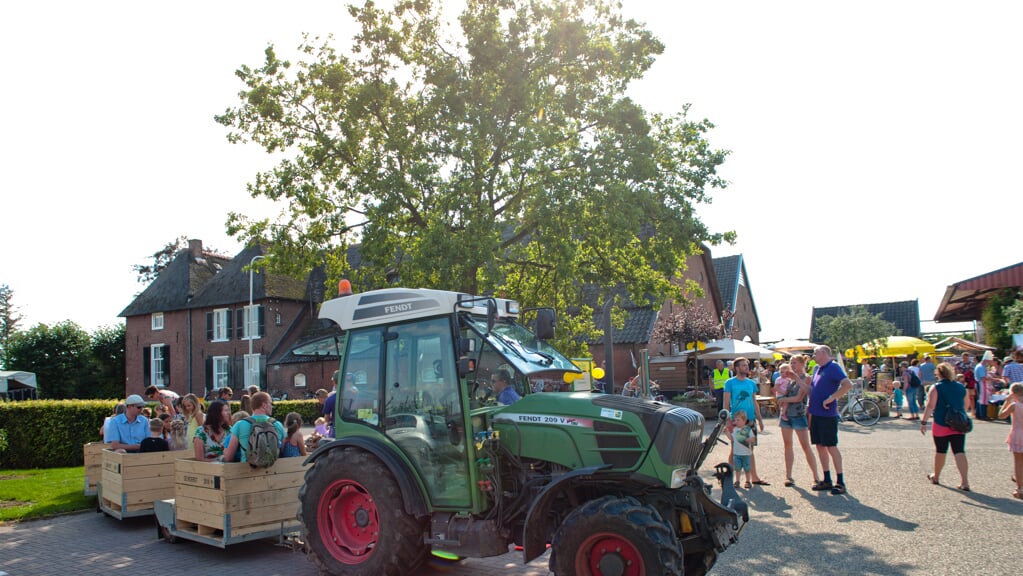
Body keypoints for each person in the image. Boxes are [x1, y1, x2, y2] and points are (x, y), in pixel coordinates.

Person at [808, 345, 852, 495]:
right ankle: (827, 478)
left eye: (815, 353)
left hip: (827, 415)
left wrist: (832, 398)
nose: (813, 356)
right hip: (816, 413)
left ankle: (840, 481)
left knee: (831, 446)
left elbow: (847, 385)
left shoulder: (833, 367)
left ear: (824, 353)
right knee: (820, 446)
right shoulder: (817, 369)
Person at [921, 362, 970, 491]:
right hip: (958, 424)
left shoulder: (936, 387)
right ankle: (965, 481)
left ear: (938, 374)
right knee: (959, 451)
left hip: (941, 423)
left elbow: (931, 406)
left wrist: (924, 422)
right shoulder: (960, 387)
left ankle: (936, 476)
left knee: (941, 451)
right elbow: (966, 405)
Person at [776, 355, 820, 488]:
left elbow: (798, 397)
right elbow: (783, 391)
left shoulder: (805, 378)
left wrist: (782, 400)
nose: (792, 365)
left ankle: (816, 476)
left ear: (802, 364)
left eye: (794, 363)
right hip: (787, 415)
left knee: (805, 446)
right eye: (791, 363)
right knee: (787, 445)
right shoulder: (790, 379)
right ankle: (788, 476)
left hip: (798, 414)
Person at [724, 357, 768, 485]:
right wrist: (727, 421)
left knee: (750, 449)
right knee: (735, 450)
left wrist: (759, 419)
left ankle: (754, 477)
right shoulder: (730, 383)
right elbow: (726, 403)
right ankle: (728, 478)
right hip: (736, 420)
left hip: (750, 420)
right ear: (737, 368)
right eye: (743, 365)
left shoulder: (751, 383)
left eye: (747, 365)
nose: (746, 367)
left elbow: (754, 402)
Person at [222, 392, 285, 464]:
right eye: (270, 403)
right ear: (264, 405)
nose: (271, 406)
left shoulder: (240, 425)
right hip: (273, 471)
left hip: (247, 471)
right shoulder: (277, 424)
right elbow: (282, 452)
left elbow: (229, 457)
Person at [998, 382, 1023, 499]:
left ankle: (1020, 488)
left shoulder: (1014, 405)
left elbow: (1001, 415)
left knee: (1018, 462)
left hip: (1018, 434)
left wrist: (1006, 401)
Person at [731, 410, 754, 489]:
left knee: (747, 468)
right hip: (737, 453)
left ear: (744, 420)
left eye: (738, 420)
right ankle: (737, 481)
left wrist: (749, 440)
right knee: (737, 468)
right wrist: (727, 432)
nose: (736, 422)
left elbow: (753, 438)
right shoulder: (735, 430)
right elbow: (732, 439)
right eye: (735, 420)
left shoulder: (748, 430)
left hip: (746, 453)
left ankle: (748, 481)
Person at [975, 351, 994, 420]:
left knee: (980, 399)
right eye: (989, 361)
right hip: (982, 384)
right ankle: (983, 415)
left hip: (980, 383)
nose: (990, 362)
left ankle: (978, 414)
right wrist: (993, 379)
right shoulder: (981, 367)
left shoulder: (980, 366)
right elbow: (983, 378)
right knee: (983, 400)